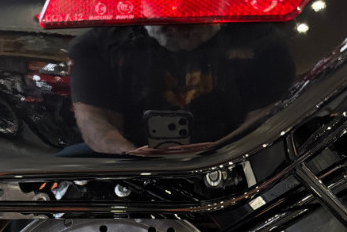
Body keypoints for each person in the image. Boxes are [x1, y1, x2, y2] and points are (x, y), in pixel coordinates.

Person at [67, 23, 295, 155]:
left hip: (236, 152)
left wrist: (220, 153)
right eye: (169, 26)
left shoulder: (261, 40)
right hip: (132, 156)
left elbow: (268, 114)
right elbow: (92, 119)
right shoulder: (100, 45)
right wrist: (129, 154)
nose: (181, 30)